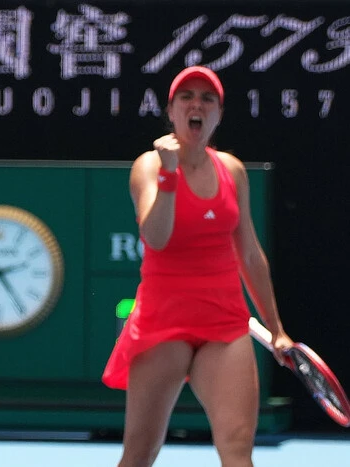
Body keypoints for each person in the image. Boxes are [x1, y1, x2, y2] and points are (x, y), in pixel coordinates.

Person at [101, 66, 294, 467]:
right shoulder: (148, 167)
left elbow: (251, 254)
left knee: (238, 452)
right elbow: (156, 237)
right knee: (138, 455)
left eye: (207, 99)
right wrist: (170, 175)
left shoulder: (233, 170)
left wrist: (276, 329)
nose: (197, 105)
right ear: (171, 111)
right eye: (186, 96)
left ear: (218, 114)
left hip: (225, 327)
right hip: (161, 325)